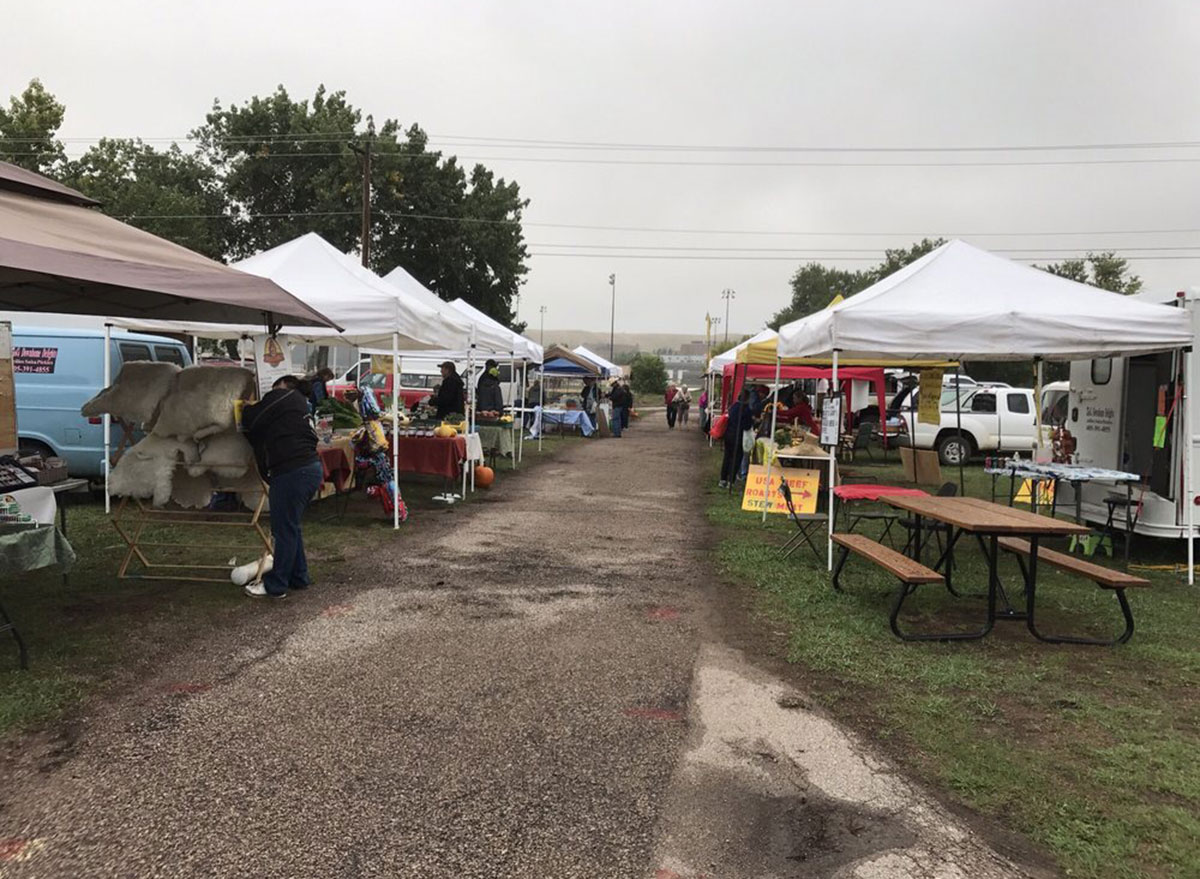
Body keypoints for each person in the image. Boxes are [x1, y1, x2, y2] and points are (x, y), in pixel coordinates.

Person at [241, 375, 323, 599]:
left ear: (282, 386)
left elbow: (252, 420)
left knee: (283, 529)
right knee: (291, 526)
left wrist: (245, 407)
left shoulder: (282, 396)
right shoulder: (300, 404)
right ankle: (299, 576)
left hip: (292, 471)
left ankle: (276, 585)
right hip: (309, 468)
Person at [720, 389, 755, 489]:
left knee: (727, 457)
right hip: (738, 436)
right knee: (736, 459)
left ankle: (722, 479)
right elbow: (747, 426)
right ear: (747, 398)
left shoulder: (733, 406)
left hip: (729, 435)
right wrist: (752, 421)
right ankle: (731, 480)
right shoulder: (746, 409)